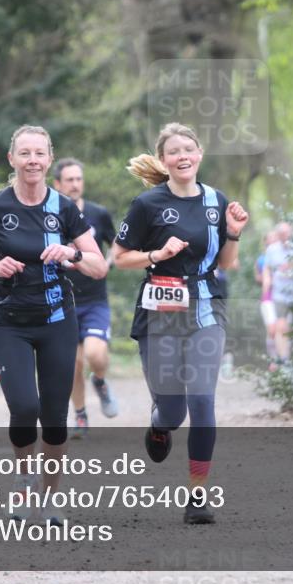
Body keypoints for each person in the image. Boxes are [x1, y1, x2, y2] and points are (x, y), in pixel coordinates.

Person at [0, 126, 106, 525]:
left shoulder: (64, 208)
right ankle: (23, 490)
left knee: (55, 416)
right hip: (9, 322)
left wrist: (71, 253)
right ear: (12, 159)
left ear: (49, 158)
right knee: (25, 408)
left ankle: (51, 498)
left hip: (57, 321)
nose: (32, 161)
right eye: (24, 153)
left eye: (39, 153)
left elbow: (98, 266)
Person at [113, 122, 249, 525]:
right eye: (174, 151)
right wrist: (157, 253)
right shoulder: (147, 205)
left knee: (203, 400)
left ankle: (197, 497)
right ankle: (159, 425)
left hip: (207, 308)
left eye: (188, 148)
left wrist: (234, 234)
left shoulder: (215, 201)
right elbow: (120, 257)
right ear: (163, 160)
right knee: (172, 410)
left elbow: (227, 264)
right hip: (160, 311)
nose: (182, 156)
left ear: (200, 154)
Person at [51, 158, 119, 438]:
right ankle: (80, 415)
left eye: (79, 179)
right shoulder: (50, 214)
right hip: (62, 301)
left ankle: (100, 381)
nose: (75, 184)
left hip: (94, 301)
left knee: (94, 355)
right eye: (69, 180)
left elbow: (118, 243)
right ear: (57, 184)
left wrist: (108, 262)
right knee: (73, 364)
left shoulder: (97, 213)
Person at [262, 222, 293, 366]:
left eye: (287, 233)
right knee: (280, 326)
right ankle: (284, 359)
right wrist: (267, 282)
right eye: (281, 234)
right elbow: (266, 268)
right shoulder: (272, 250)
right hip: (280, 294)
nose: (285, 236)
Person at [255, 230, 279, 361]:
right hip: (268, 297)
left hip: (282, 298)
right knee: (272, 329)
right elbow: (258, 278)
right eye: (270, 238)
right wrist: (267, 278)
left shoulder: (284, 257)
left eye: (274, 238)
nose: (272, 240)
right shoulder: (261, 260)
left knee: (282, 329)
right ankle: (273, 359)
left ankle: (282, 359)